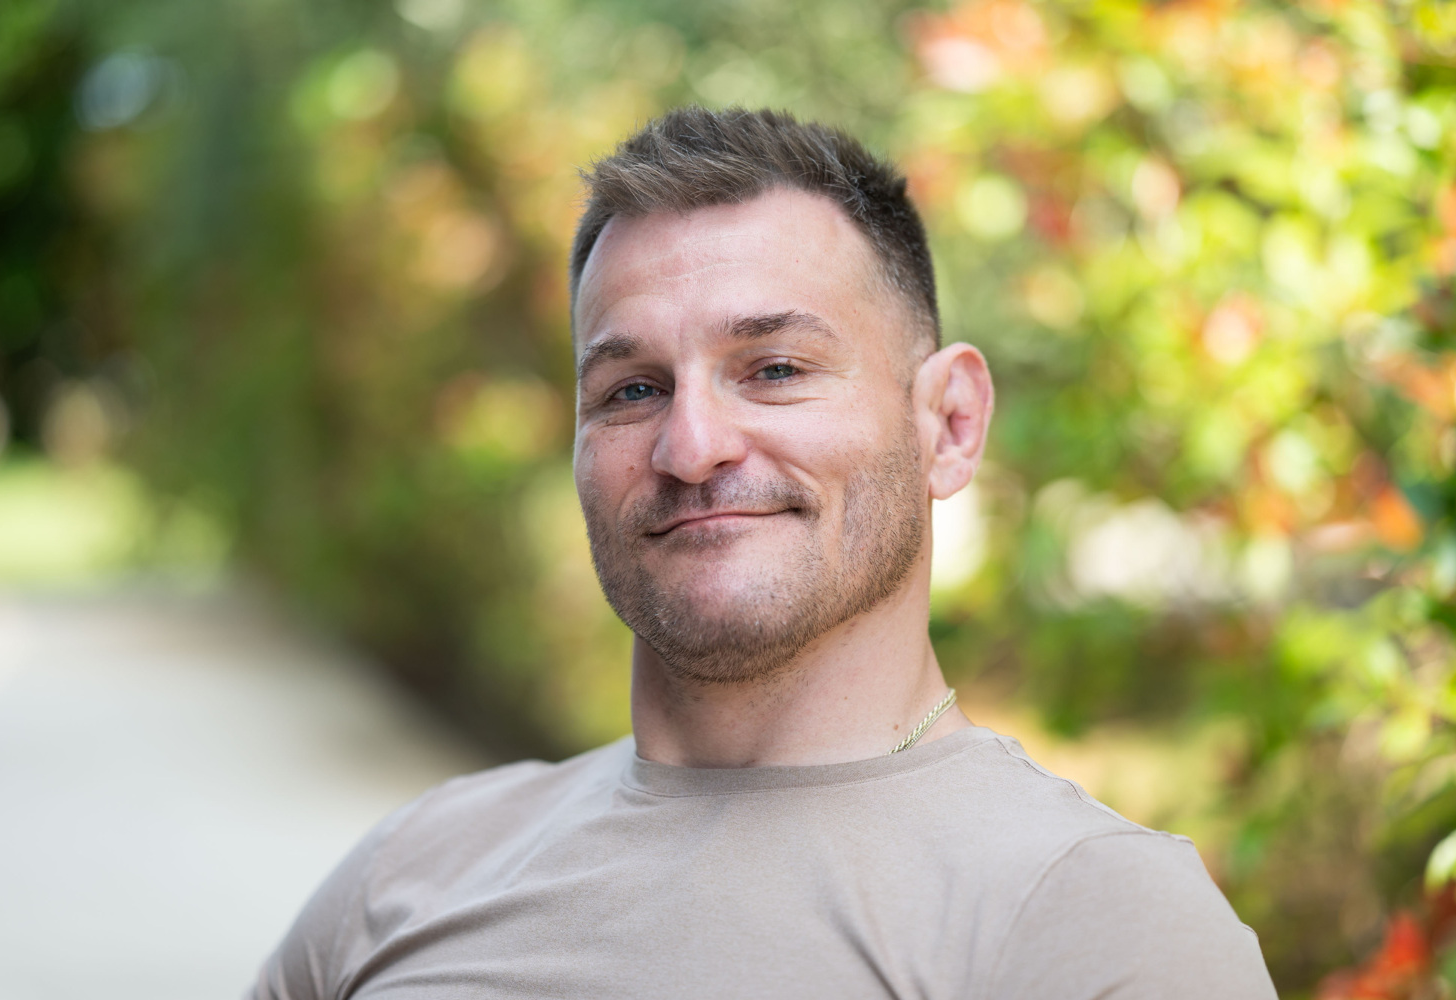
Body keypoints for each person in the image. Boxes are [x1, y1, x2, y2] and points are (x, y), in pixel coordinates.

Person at [250, 107, 1278, 999]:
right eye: (632, 390)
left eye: (776, 368)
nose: (692, 447)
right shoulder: (411, 875)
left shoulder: (1096, 919)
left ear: (949, 424)